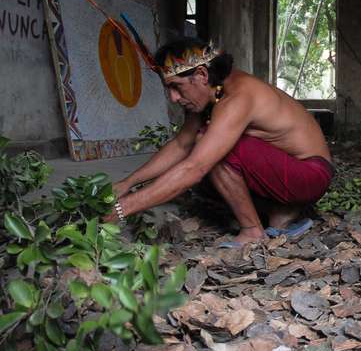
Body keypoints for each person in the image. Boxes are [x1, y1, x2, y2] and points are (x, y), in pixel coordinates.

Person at [107, 38, 334, 245]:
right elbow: (181, 145)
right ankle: (282, 212)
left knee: (208, 148)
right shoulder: (212, 92)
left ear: (202, 76)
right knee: (201, 153)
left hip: (312, 174)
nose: (173, 98)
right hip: (288, 168)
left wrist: (120, 209)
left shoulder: (237, 97)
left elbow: (194, 167)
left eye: (176, 87)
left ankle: (253, 231)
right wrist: (128, 183)